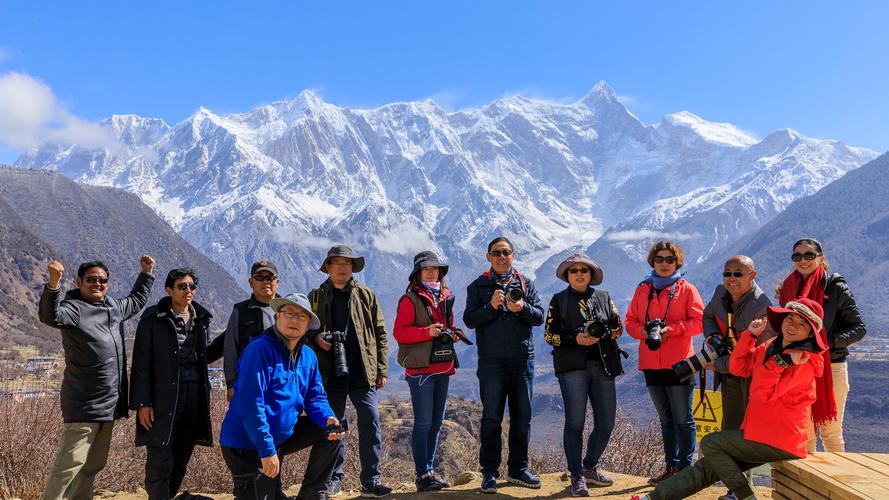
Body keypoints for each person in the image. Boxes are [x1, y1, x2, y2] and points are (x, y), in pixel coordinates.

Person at [638, 298, 828, 500]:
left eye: (802, 324)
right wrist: (750, 336)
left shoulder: (803, 361)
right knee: (708, 468)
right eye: (790, 319)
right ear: (782, 320)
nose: (793, 326)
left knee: (711, 444)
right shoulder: (773, 346)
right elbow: (738, 367)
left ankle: (744, 496)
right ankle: (652, 498)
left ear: (810, 333)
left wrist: (777, 363)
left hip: (781, 439)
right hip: (760, 432)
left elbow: (763, 396)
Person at [39, 256, 156, 500]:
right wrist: (53, 284)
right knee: (68, 465)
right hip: (84, 403)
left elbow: (135, 302)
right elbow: (51, 316)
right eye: (91, 279)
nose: (97, 284)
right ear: (79, 281)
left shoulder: (112, 307)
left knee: (92, 465)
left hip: (109, 404)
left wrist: (146, 274)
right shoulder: (73, 309)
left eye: (102, 280)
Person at [219, 293, 345, 500]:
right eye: (289, 313)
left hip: (278, 439)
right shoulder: (259, 350)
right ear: (277, 316)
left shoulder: (308, 356)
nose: (295, 320)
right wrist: (267, 450)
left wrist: (328, 418)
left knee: (332, 431)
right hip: (247, 445)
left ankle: (312, 495)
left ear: (308, 325)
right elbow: (251, 404)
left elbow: (315, 397)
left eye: (302, 317)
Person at [307, 246, 391, 498]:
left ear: (352, 268)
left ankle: (371, 478)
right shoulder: (315, 297)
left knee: (371, 421)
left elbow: (380, 334)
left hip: (362, 371)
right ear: (328, 268)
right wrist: (316, 338)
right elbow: (303, 331)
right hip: (329, 373)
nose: (343, 268)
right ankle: (334, 478)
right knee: (334, 427)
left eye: (347, 263)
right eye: (337, 263)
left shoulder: (366, 295)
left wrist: (381, 368)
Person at [464, 237, 545, 494]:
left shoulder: (525, 284)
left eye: (506, 252)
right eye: (496, 253)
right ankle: (489, 472)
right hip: (491, 362)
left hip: (523, 360)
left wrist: (521, 307)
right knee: (491, 418)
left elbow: (539, 316)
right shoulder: (478, 286)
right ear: (488, 257)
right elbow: (469, 320)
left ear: (513, 255)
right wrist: (491, 306)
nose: (501, 257)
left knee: (523, 416)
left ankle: (518, 469)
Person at [544, 254, 625, 497]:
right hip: (572, 367)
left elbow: (618, 327)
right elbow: (550, 334)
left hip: (602, 365)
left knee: (607, 421)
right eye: (573, 270)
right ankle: (577, 475)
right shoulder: (558, 301)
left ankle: (590, 466)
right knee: (575, 422)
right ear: (567, 275)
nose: (579, 274)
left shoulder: (604, 297)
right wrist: (574, 338)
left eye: (584, 270)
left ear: (591, 275)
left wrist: (603, 334)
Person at [130, 268, 214, 499]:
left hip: (194, 398)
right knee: (160, 459)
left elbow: (205, 355)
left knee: (181, 458)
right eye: (182, 286)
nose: (188, 291)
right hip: (161, 399)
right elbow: (141, 362)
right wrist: (143, 402)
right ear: (169, 289)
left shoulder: (201, 319)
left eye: (191, 286)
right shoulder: (153, 318)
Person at [777, 238, 866, 453]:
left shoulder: (836, 289)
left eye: (809, 255)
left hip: (831, 366)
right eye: (797, 256)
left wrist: (826, 343)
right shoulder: (788, 288)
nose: (803, 260)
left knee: (830, 433)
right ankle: (806, 485)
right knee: (803, 431)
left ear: (821, 258)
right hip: (798, 366)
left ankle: (836, 485)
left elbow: (859, 327)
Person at [625, 240, 703, 485]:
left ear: (677, 262)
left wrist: (675, 329)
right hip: (651, 363)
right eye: (659, 259)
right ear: (652, 262)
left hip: (679, 362)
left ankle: (686, 468)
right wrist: (645, 332)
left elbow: (699, 322)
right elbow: (630, 322)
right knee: (666, 420)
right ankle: (671, 467)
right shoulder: (642, 290)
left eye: (670, 259)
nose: (664, 264)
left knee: (683, 419)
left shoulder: (687, 289)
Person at [393, 251, 467, 492]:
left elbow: (449, 324)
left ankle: (430, 471)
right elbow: (400, 332)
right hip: (421, 370)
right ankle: (421, 474)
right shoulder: (410, 300)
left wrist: (453, 334)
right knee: (423, 423)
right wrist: (427, 332)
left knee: (436, 423)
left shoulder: (445, 297)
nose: (432, 272)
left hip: (442, 366)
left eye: (435, 269)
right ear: (418, 273)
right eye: (426, 269)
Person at [702, 256, 771, 500]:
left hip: (750, 379)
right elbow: (708, 315)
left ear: (752, 276)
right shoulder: (720, 293)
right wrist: (713, 338)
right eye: (727, 273)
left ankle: (742, 489)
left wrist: (718, 364)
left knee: (745, 433)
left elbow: (756, 357)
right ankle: (737, 488)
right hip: (728, 375)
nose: (731, 279)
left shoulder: (762, 305)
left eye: (738, 274)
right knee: (729, 429)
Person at [216, 261, 281, 401]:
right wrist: (231, 383)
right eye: (259, 278)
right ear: (251, 282)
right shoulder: (240, 310)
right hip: (247, 384)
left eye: (269, 278)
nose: (265, 282)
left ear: (277, 282)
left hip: (280, 383)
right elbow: (230, 348)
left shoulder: (287, 309)